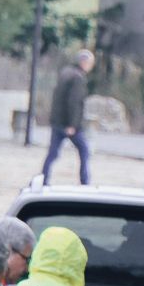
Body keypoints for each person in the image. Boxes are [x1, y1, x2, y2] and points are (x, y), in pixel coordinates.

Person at [42, 50, 93, 185]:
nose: (90, 66)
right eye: (90, 63)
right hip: (69, 124)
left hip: (57, 121)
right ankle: (85, 181)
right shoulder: (78, 78)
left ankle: (43, 179)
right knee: (84, 150)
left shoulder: (65, 72)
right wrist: (73, 124)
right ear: (84, 62)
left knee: (53, 153)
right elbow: (74, 102)